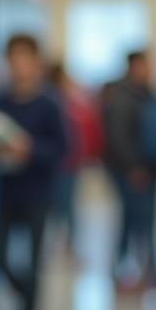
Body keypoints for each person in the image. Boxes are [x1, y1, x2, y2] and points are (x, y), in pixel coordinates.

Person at [0, 35, 69, 310]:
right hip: (6, 193)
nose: (19, 65)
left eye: (24, 58)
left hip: (38, 194)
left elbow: (62, 148)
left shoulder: (49, 104)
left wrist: (30, 149)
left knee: (33, 263)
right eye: (13, 58)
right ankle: (25, 299)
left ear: (36, 62)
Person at [102, 51, 156, 292]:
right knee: (139, 223)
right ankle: (142, 273)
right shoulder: (124, 98)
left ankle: (136, 272)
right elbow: (118, 137)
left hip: (147, 168)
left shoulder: (147, 95)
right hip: (132, 172)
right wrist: (134, 167)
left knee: (137, 222)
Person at [48, 63, 103, 254]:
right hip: (61, 164)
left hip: (69, 164)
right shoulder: (60, 104)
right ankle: (65, 245)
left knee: (66, 207)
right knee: (62, 207)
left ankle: (68, 245)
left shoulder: (68, 103)